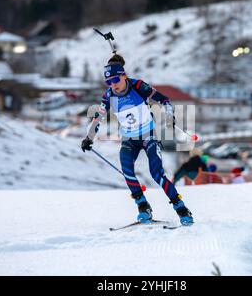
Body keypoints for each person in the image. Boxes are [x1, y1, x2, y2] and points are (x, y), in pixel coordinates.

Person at [81, 54, 193, 226]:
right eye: (108, 82)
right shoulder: (108, 96)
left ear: (124, 75)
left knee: (157, 174)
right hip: (129, 139)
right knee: (127, 171)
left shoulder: (138, 86)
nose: (113, 85)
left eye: (116, 79)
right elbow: (98, 118)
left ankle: (182, 209)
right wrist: (89, 138)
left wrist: (169, 116)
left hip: (148, 136)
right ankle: (143, 207)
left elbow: (165, 100)